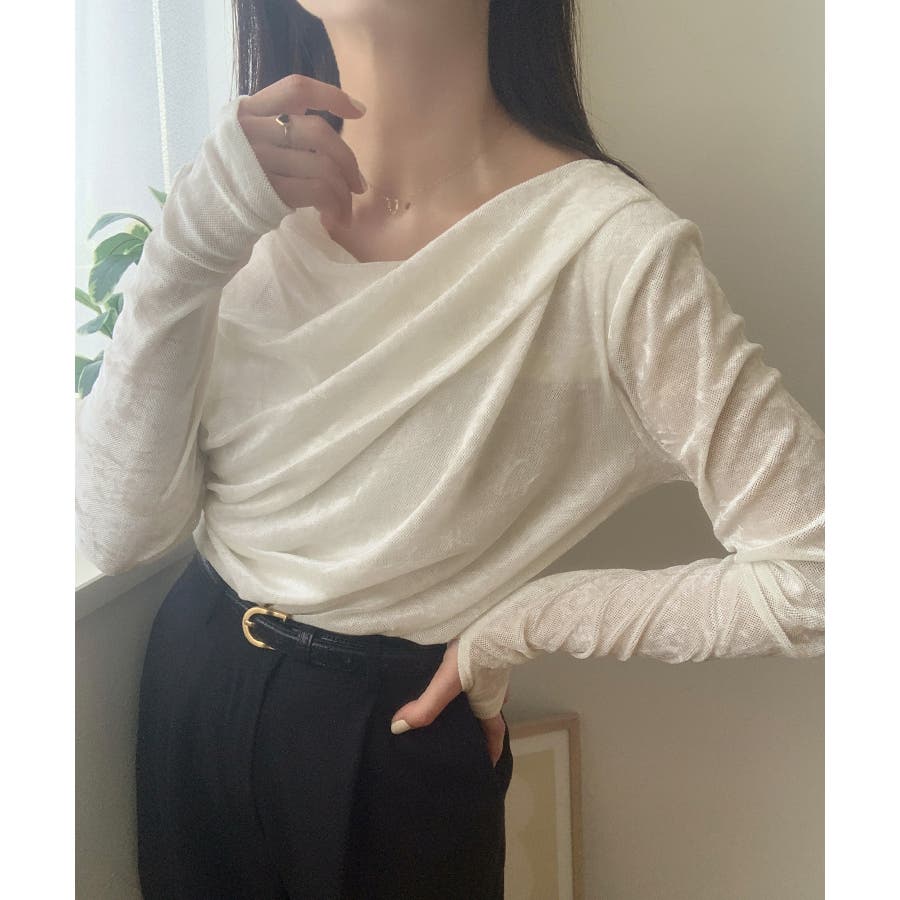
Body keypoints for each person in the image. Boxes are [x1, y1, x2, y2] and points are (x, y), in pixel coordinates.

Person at [74, 1, 825, 897]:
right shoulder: (240, 196)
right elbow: (117, 532)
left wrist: (521, 626)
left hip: (389, 742)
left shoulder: (609, 251)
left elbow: (821, 573)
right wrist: (186, 248)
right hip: (193, 688)